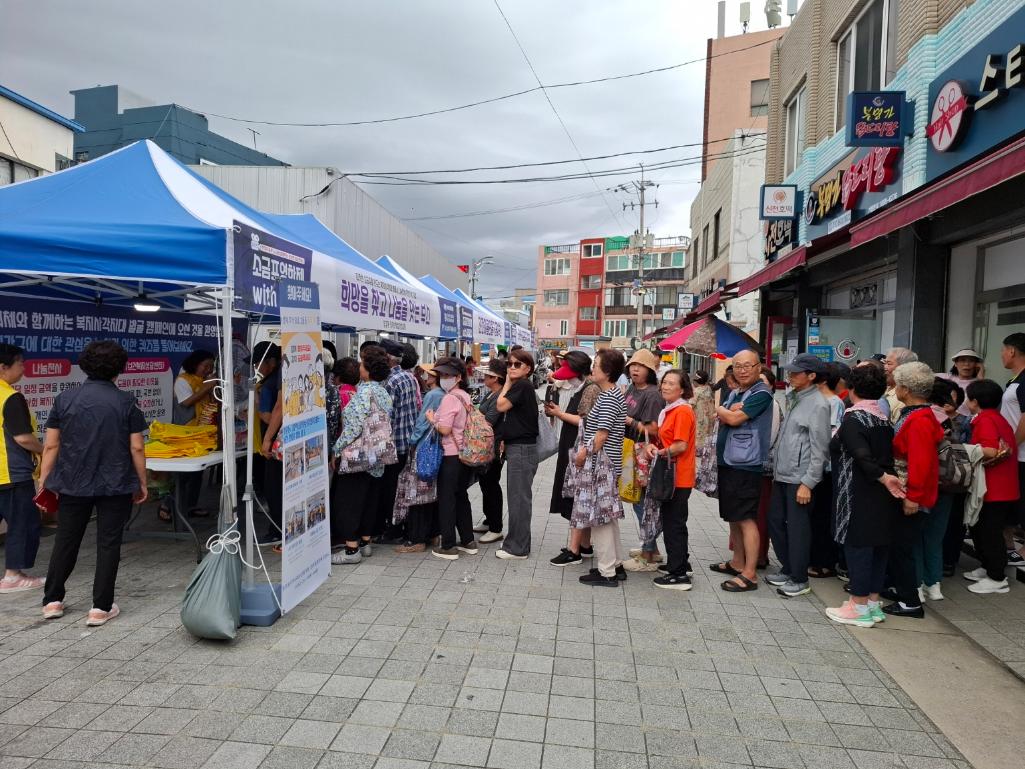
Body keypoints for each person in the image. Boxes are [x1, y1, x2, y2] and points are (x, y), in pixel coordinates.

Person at [39, 341, 148, 626]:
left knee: (66, 539)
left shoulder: (64, 399)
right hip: (116, 481)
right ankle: (100, 607)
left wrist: (43, 479)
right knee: (108, 543)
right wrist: (143, 481)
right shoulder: (126, 401)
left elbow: (51, 445)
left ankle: (52, 601)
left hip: (73, 480)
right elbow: (136, 447)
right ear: (120, 368)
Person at [824, 364, 905, 627]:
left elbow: (861, 456)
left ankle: (858, 606)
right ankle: (871, 602)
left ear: (851, 388)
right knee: (878, 547)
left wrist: (882, 477)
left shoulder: (854, 418)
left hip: (858, 492)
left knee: (858, 547)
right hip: (883, 495)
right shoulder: (882, 418)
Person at [766, 353, 831, 598]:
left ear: (812, 376)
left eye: (796, 373)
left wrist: (808, 482)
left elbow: (820, 447)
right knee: (775, 522)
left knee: (798, 529)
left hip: (800, 478)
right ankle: (788, 567)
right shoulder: (795, 397)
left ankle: (799, 578)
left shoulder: (818, 404)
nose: (790, 376)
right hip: (782, 474)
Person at [883, 362, 945, 618]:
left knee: (903, 547)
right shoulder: (918, 414)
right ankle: (903, 590)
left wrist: (913, 498)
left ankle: (910, 601)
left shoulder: (918, 419)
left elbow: (920, 462)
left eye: (898, 384)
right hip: (909, 488)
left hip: (911, 491)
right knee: (901, 545)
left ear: (906, 389)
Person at [710, 350, 774, 592]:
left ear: (759, 367)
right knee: (734, 515)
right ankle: (737, 562)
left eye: (748, 365)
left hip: (746, 464)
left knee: (747, 517)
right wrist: (728, 412)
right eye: (737, 366)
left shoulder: (761, 394)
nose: (742, 370)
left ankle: (750, 573)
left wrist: (723, 411)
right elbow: (729, 415)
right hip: (730, 461)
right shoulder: (737, 392)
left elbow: (734, 419)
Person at [330, 345, 394, 564]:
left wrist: (337, 449)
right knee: (369, 497)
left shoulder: (364, 392)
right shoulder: (383, 392)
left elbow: (354, 427)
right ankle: (366, 542)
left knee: (349, 499)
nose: (358, 366)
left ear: (368, 368)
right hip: (377, 455)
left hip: (358, 454)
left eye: (361, 362)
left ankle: (351, 549)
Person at [576, 349, 628, 587]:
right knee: (609, 516)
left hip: (602, 465)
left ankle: (607, 571)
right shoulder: (614, 394)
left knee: (600, 518)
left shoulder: (608, 398)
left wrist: (582, 454)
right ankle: (615, 564)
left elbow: (600, 437)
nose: (593, 368)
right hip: (609, 464)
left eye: (596, 365)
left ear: (607, 371)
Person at [964, 379, 1019, 594]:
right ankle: (988, 567)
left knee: (989, 532)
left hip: (994, 487)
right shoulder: (998, 418)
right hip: (1002, 486)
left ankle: (997, 577)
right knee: (982, 529)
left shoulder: (985, 421)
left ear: (974, 402)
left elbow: (988, 451)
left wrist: (964, 450)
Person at [546, 351, 600, 566]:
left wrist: (559, 414)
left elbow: (586, 422)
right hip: (573, 447)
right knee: (577, 497)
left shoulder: (590, 389)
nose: (565, 378)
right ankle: (585, 546)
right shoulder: (583, 387)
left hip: (580, 451)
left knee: (577, 497)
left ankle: (574, 550)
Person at [0, 345, 45, 594]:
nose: (23, 368)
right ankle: (13, 575)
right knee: (22, 522)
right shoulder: (10, 397)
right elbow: (23, 438)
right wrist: (45, 449)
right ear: (3, 368)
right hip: (11, 472)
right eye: (20, 364)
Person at [647, 370, 697, 590]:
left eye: (671, 383)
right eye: (664, 382)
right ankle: (681, 564)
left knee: (674, 523)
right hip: (671, 472)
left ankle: (678, 575)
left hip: (678, 475)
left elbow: (680, 445)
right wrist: (655, 447)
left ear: (682, 389)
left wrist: (659, 452)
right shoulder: (670, 410)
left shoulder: (682, 411)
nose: (665, 387)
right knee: (674, 521)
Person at [427, 357, 478, 560]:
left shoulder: (449, 398)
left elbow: (445, 429)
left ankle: (448, 546)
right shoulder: (464, 396)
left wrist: (432, 420)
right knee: (461, 496)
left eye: (448, 375)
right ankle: (468, 540)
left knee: (447, 499)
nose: (444, 378)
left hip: (450, 455)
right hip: (463, 455)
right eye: (442, 375)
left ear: (458, 377)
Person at [494, 348, 540, 560]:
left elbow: (500, 405)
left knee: (519, 499)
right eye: (509, 364)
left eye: (517, 365)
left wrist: (507, 383)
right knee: (518, 498)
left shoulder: (521, 385)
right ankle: (517, 543)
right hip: (520, 448)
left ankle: (518, 547)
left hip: (522, 450)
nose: (511, 367)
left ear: (528, 368)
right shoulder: (523, 385)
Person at [394, 363, 445, 554]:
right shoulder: (442, 395)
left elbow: (422, 422)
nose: (424, 375)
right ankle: (433, 533)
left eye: (428, 373)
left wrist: (412, 442)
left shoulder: (433, 395)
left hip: (423, 446)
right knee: (430, 493)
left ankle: (417, 539)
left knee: (417, 493)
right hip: (435, 447)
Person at [622, 349, 665, 570]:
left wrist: (628, 420)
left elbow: (653, 429)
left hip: (644, 453)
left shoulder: (653, 394)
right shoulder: (631, 388)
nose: (635, 369)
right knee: (637, 499)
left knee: (643, 503)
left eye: (641, 366)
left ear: (650, 370)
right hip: (630, 449)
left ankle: (647, 555)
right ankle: (652, 549)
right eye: (633, 365)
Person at [374, 339, 420, 542]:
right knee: (399, 486)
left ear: (388, 359)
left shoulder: (391, 382)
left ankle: (393, 528)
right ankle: (399, 525)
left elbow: (386, 417)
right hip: (407, 440)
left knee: (390, 488)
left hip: (394, 443)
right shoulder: (409, 377)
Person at [168, 349, 218, 520]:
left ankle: (191, 505)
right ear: (195, 364)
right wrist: (207, 387)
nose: (207, 370)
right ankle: (168, 506)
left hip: (203, 432)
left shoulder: (205, 381)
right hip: (185, 432)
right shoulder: (182, 381)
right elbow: (187, 402)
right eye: (205, 366)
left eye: (210, 367)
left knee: (198, 473)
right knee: (183, 475)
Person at [809, 363, 846, 578]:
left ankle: (824, 562)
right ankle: (816, 558)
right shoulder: (821, 401)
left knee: (823, 514)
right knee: (816, 515)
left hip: (826, 467)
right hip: (817, 466)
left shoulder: (834, 402)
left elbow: (828, 436)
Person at [475, 360, 509, 544]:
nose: (483, 378)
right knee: (485, 485)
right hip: (485, 446)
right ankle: (489, 520)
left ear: (495, 378)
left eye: (487, 375)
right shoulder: (491, 394)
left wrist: (473, 416)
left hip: (494, 448)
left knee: (491, 485)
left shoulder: (499, 396)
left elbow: (488, 420)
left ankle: (496, 527)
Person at [1000, 332, 1025, 567]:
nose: (1001, 356)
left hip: (1021, 454)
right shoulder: (1014, 380)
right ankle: (1008, 547)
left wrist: (1011, 446)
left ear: (1012, 351)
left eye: (1002, 351)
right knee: (1011, 503)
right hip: (1013, 454)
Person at [940, 348, 984, 417]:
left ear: (976, 364)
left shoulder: (978, 383)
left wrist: (981, 376)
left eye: (971, 361)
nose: (967, 364)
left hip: (966, 423)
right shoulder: (946, 377)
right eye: (962, 360)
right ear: (955, 363)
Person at [882, 347, 919, 424]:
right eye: (884, 363)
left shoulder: (904, 397)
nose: (884, 367)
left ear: (904, 368)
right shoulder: (882, 387)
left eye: (889, 364)